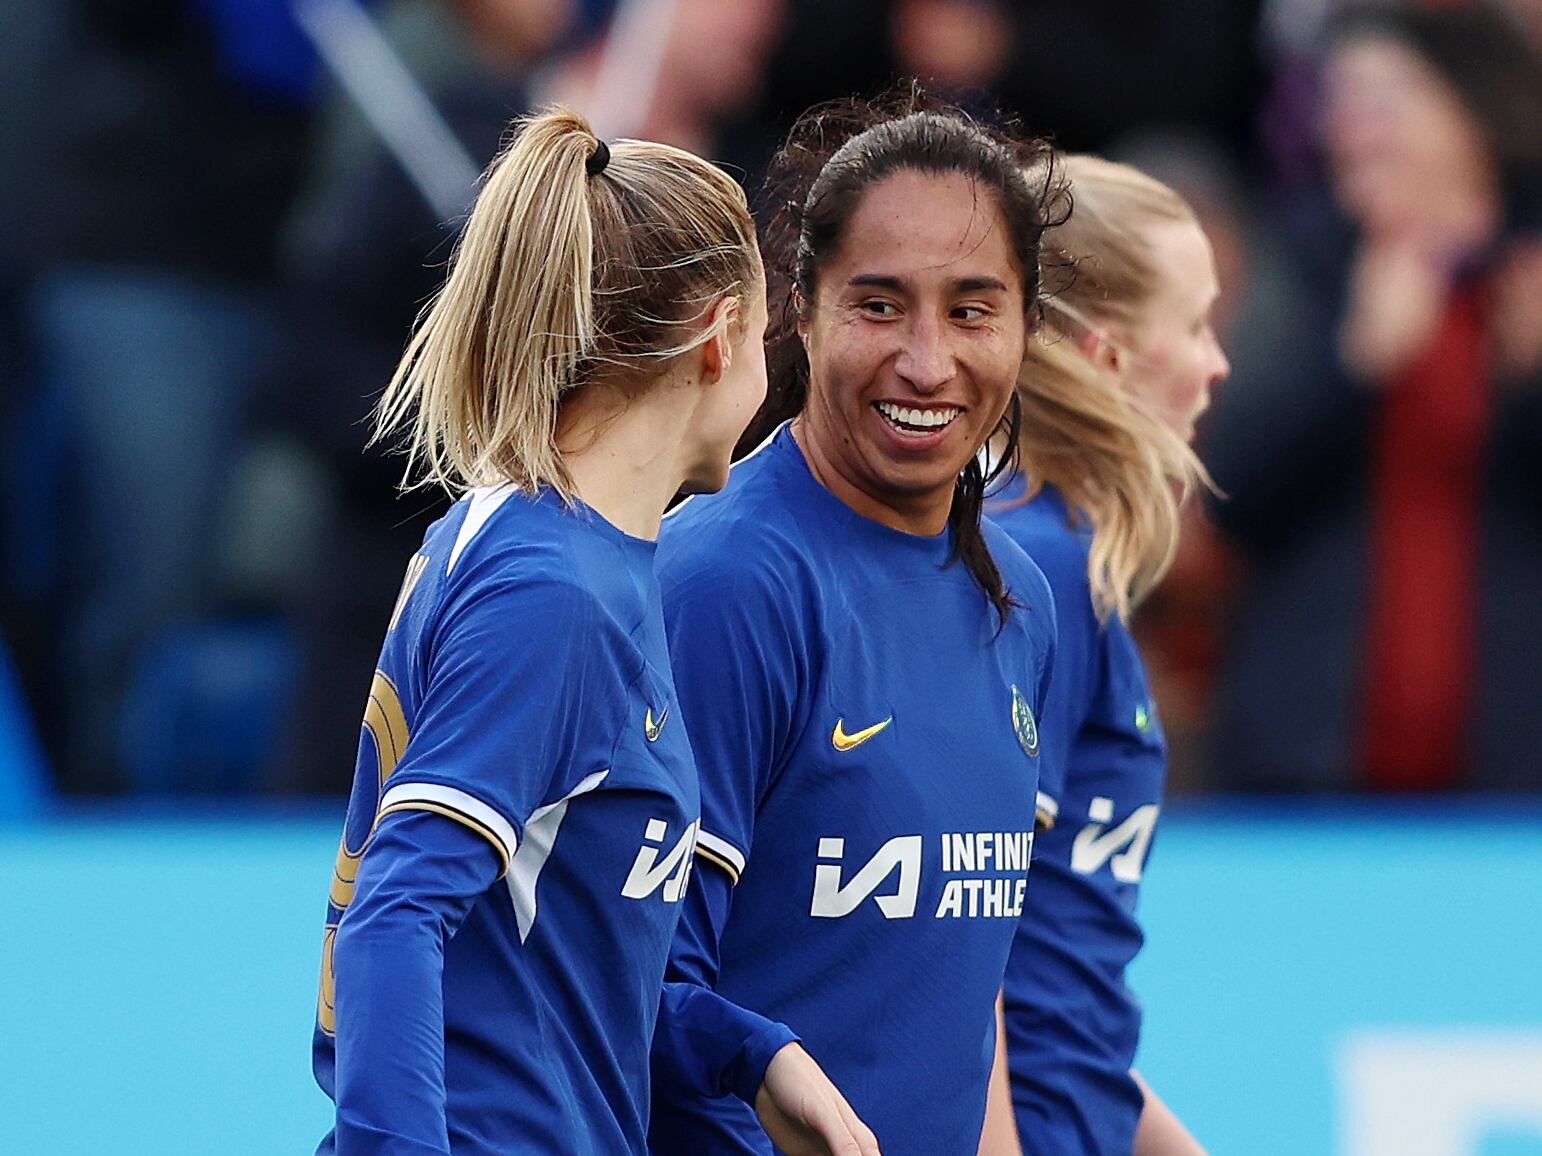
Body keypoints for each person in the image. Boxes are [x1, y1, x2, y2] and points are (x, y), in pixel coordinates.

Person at [313, 106, 879, 1156]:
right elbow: (399, 911)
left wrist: (747, 1052)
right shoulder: (557, 591)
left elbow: (557, 949)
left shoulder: (547, 543)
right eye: (762, 333)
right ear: (718, 338)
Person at [647, 95, 1062, 1154]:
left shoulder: (1022, 604)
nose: (928, 363)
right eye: (880, 306)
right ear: (802, 307)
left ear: (1028, 321)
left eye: (973, 311)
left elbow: (969, 990)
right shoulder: (730, 584)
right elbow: (631, 985)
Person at [1205, 1, 1542, 793]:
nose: (1348, 129)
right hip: (1309, 767)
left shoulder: (1528, 277)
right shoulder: (1308, 270)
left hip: (1513, 780)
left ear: (1471, 107)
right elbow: (1230, 493)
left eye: (1381, 100)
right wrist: (1351, 366)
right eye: (1338, 102)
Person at [977, 156, 1229, 1156]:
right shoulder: (1036, 571)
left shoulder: (1064, 559)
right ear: (1109, 357)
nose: (1216, 364)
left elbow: (1063, 991)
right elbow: (964, 937)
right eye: (1198, 324)